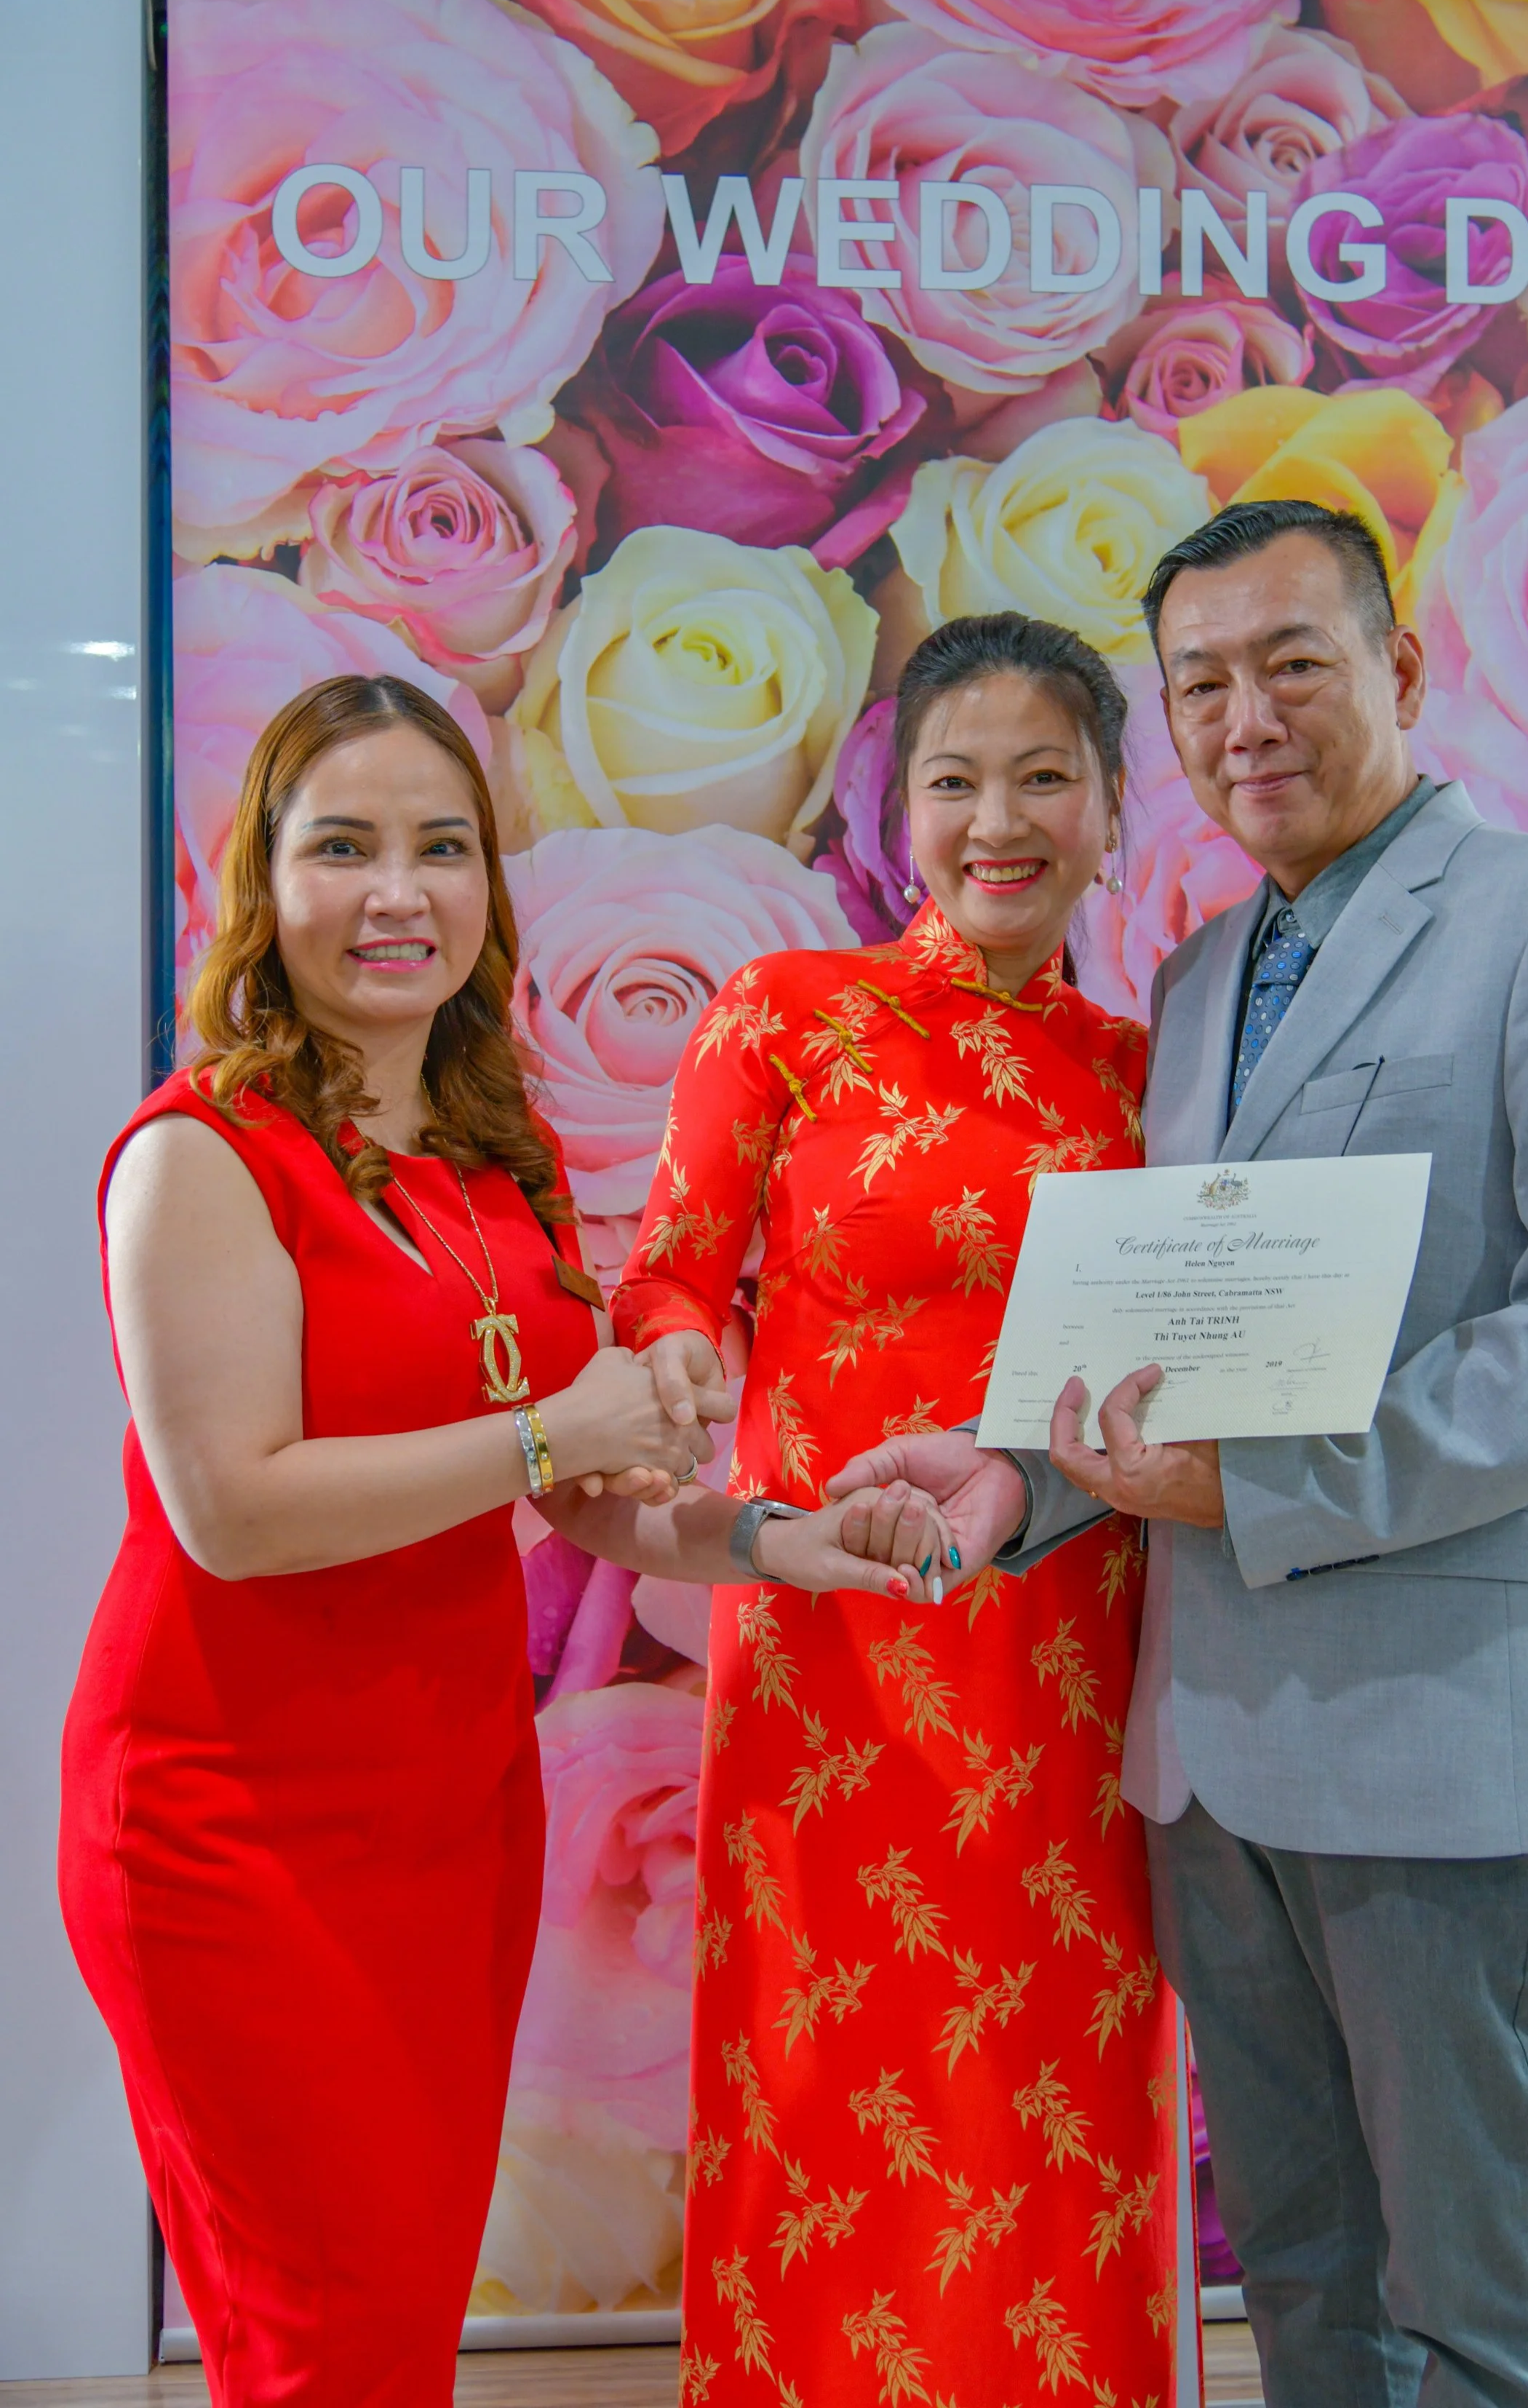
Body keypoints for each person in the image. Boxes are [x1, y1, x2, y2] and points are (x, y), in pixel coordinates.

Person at [830, 503, 1528, 2408]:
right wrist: (1019, 1473)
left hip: (1444, 1747)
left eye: (1293, 661)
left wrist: (1272, 1485)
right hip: (1213, 1752)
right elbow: (1171, 1342)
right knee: (1306, 2283)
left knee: (1478, 2303)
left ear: (1399, 671)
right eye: (1202, 683)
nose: (1248, 715)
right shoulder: (1207, 972)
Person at [58, 673, 942, 2408]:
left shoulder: (489, 1162)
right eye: (345, 847)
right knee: (322, 2336)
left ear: (488, 888)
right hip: (232, 1828)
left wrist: (788, 1543)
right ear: (264, 883)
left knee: (384, 2322)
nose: (399, 893)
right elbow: (232, 1509)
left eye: (440, 847)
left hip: (452, 1820)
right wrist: (558, 1427)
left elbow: (582, 1498)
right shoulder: (204, 1155)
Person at [610, 614, 1187, 2404]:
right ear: (894, 807)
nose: (995, 820)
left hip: (1069, 1662)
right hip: (827, 1664)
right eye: (955, 779)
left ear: (1106, 813)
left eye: (1043, 779)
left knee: (1051, 2099)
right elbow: (666, 1276)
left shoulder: (1143, 1066)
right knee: (821, 2090)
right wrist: (679, 1374)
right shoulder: (784, 1016)